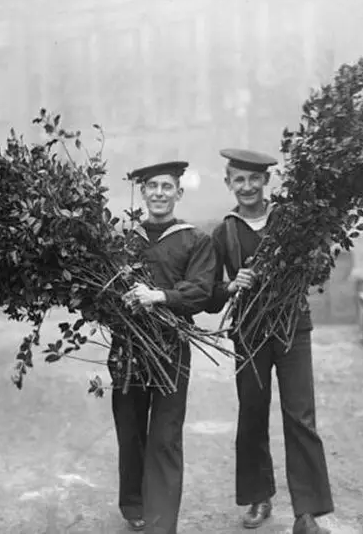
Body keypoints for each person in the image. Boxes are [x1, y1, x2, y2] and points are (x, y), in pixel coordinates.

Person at [206, 149, 334, 534]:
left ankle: (306, 513)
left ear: (266, 182)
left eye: (254, 179)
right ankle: (258, 498)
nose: (247, 187)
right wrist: (231, 285)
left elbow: (319, 264)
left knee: (301, 415)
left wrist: (311, 257)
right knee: (253, 412)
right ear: (229, 184)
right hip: (249, 332)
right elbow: (209, 295)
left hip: (293, 327)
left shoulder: (291, 223)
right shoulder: (223, 231)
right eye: (239, 180)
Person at [110, 160, 218, 534]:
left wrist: (158, 296)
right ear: (142, 193)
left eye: (166, 187)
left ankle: (161, 521)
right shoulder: (122, 240)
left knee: (166, 434)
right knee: (131, 428)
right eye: (152, 187)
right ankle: (134, 504)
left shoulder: (195, 240)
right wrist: (115, 302)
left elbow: (202, 291)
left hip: (171, 347)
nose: (158, 193)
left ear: (178, 193)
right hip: (128, 346)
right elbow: (101, 293)